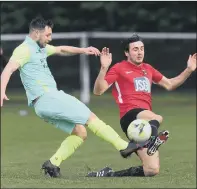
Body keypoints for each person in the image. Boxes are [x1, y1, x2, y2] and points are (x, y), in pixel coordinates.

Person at [0, 18, 148, 178]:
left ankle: (53, 163)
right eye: (48, 35)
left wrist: (83, 50)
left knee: (80, 132)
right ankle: (124, 146)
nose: (50, 38)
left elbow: (61, 50)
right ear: (36, 33)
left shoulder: (39, 47)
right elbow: (8, 69)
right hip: (48, 98)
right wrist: (1, 91)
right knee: (91, 118)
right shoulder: (24, 49)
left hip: (42, 107)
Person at [87, 34, 196, 177]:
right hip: (130, 115)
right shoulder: (119, 68)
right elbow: (98, 91)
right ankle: (152, 141)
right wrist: (103, 68)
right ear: (127, 52)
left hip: (146, 123)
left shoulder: (148, 69)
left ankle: (109, 174)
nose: (139, 52)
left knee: (151, 170)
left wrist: (189, 70)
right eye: (135, 49)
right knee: (157, 117)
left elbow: (169, 84)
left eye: (142, 49)